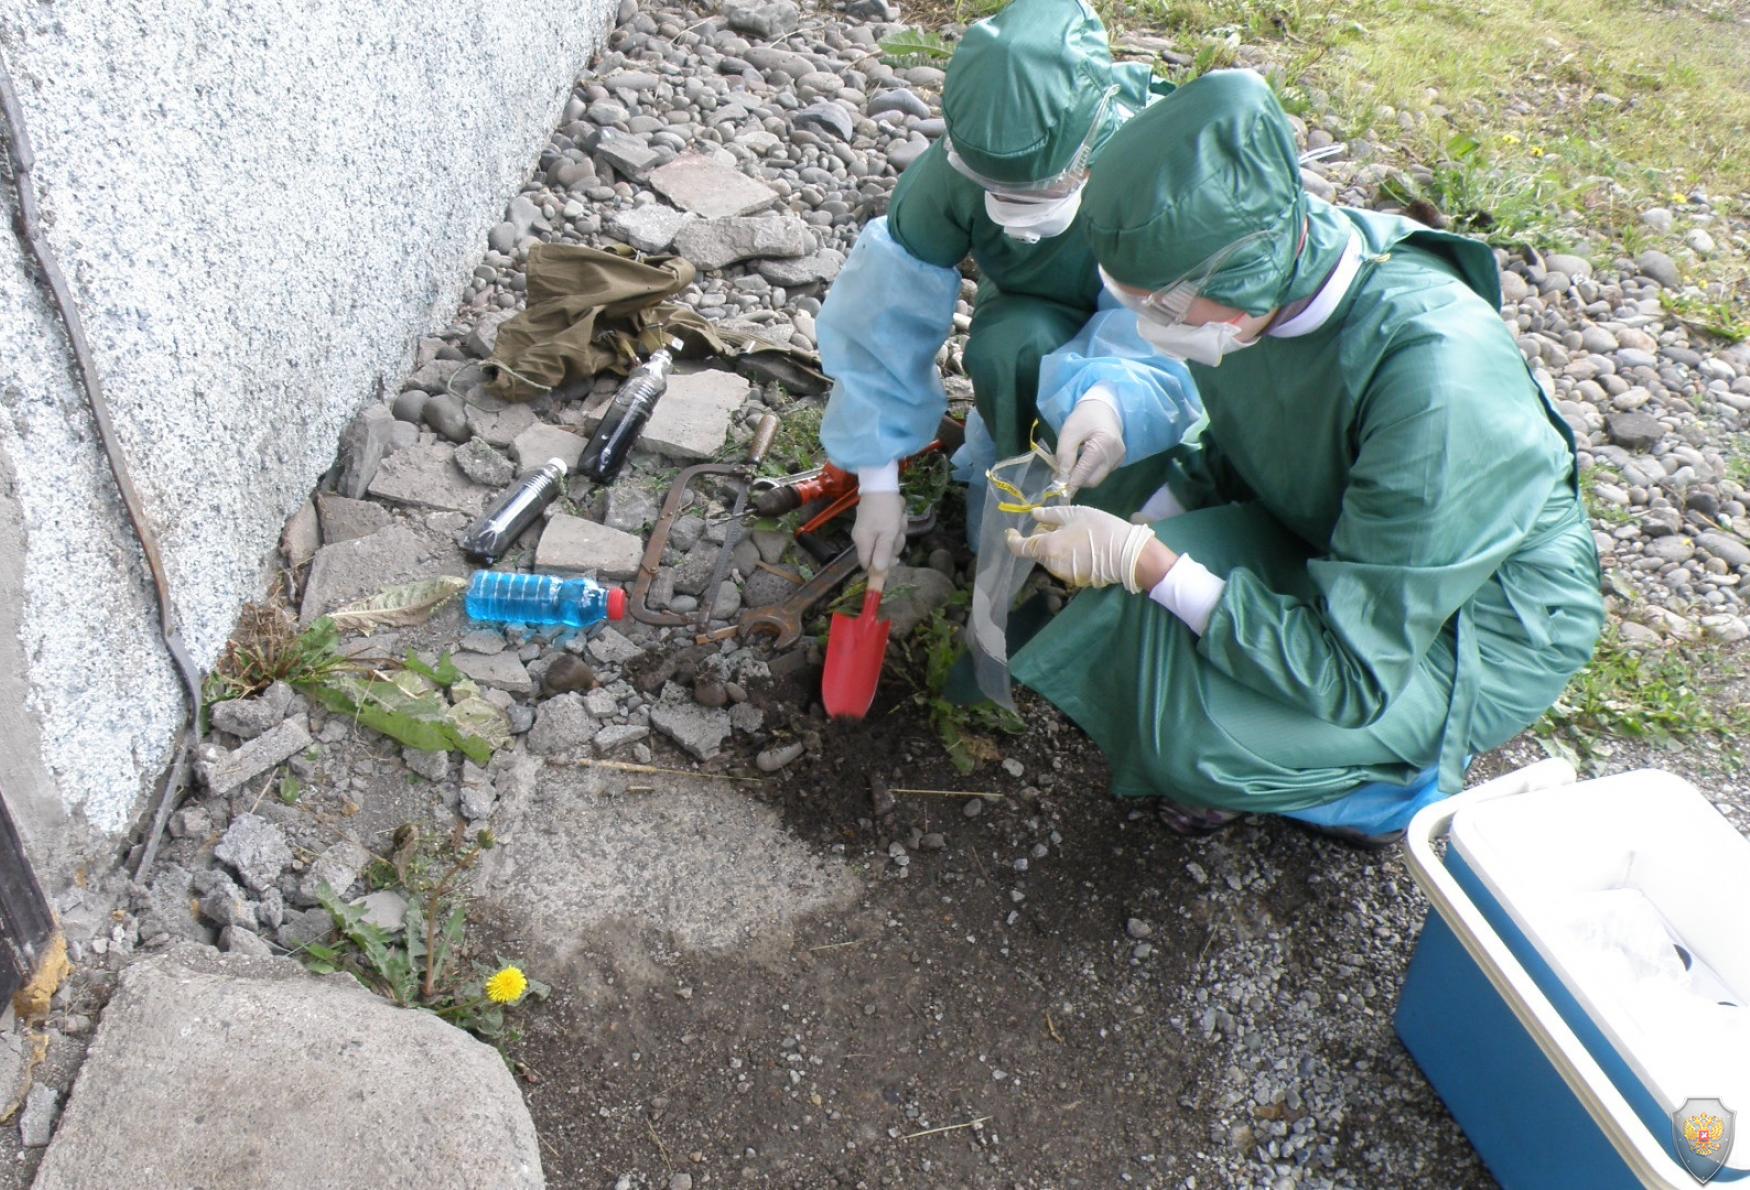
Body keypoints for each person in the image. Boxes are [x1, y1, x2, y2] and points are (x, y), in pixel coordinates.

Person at [1004, 69, 1604, 843]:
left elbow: (1353, 670)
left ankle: (1392, 795)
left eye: (1162, 308)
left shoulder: (1438, 389)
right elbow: (1257, 434)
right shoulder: (1273, 267)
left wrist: (1145, 562)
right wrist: (1139, 515)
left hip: (1465, 630)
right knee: (1128, 521)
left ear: (1244, 279)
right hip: (1330, 532)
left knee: (1194, 742)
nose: (1150, 325)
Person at [814, 0, 1197, 584]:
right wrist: (877, 482)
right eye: (990, 188)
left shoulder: (1159, 170)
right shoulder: (947, 177)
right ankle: (1018, 494)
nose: (1017, 213)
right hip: (1031, 303)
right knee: (1007, 348)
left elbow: (1180, 328)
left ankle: (1117, 513)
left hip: (1143, 319)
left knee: (1129, 449)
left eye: (1046, 186)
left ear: (1094, 140)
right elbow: (880, 323)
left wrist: (1110, 402)